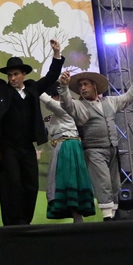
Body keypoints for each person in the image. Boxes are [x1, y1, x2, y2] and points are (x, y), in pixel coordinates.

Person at [0, 41, 64, 226]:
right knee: (12, 183)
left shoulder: (32, 88)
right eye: (10, 75)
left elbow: (51, 76)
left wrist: (56, 54)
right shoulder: (2, 89)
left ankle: (25, 222)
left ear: (24, 74)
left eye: (16, 74)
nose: (12, 78)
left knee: (31, 184)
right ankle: (12, 223)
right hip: (8, 146)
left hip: (27, 146)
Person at [56, 67, 133, 220]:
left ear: (94, 86)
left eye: (86, 84)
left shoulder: (109, 101)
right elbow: (67, 104)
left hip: (112, 149)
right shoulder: (79, 105)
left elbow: (127, 98)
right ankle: (107, 217)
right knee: (103, 183)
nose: (82, 88)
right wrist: (63, 87)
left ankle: (114, 216)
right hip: (93, 150)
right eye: (80, 85)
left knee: (115, 184)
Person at [38, 86, 94, 223]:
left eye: (53, 96)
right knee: (68, 179)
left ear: (57, 96)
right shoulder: (60, 114)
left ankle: (77, 217)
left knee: (68, 178)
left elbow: (49, 102)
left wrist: (35, 88)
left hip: (67, 146)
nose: (52, 99)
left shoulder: (66, 108)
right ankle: (76, 217)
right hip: (65, 145)